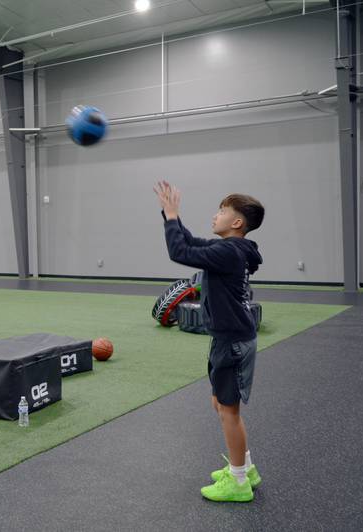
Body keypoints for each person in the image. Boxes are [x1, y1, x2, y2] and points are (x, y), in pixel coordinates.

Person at [154, 180, 264, 503]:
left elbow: (180, 251)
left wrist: (173, 218)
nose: (215, 216)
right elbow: (191, 243)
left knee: (229, 411)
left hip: (231, 341)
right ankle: (247, 467)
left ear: (237, 223)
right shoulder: (234, 250)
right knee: (221, 403)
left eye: (221, 211)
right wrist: (170, 216)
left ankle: (239, 481)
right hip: (231, 337)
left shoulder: (229, 252)